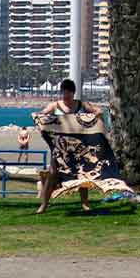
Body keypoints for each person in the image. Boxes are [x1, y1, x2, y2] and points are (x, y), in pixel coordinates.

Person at [28, 79, 100, 213]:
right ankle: (43, 205)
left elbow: (98, 111)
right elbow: (42, 114)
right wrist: (37, 116)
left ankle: (85, 204)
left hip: (78, 146)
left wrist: (88, 120)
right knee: (52, 173)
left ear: (73, 93)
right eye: (64, 92)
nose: (65, 95)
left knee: (82, 174)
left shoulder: (81, 105)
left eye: (68, 93)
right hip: (59, 147)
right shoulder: (55, 106)